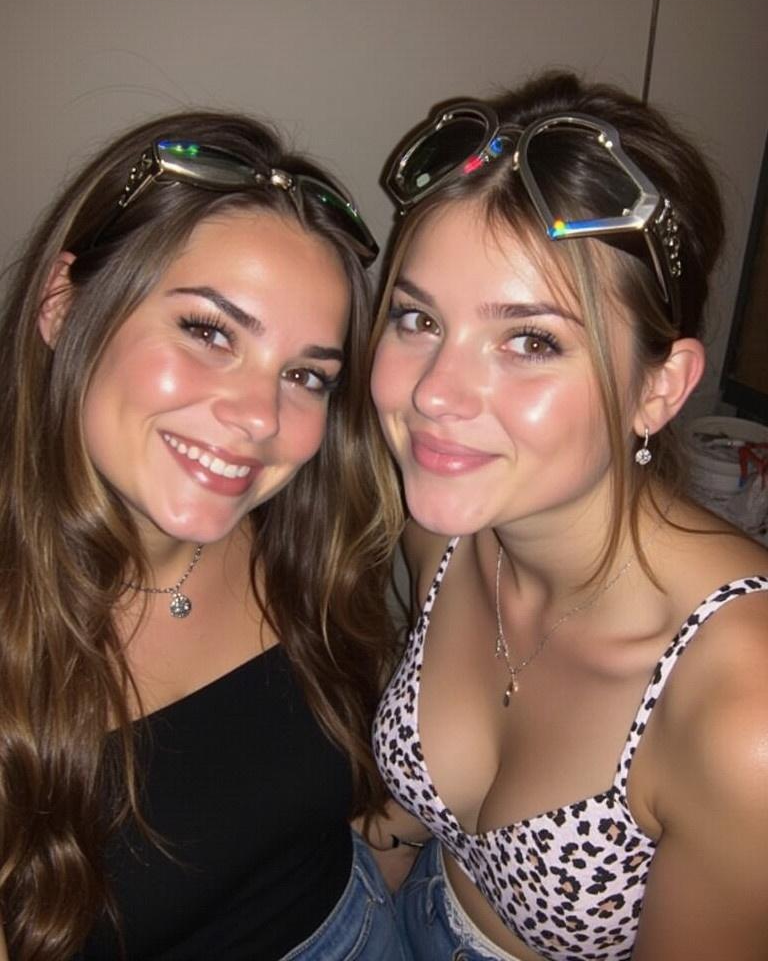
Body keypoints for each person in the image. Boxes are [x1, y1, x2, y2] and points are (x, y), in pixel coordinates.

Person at [367, 72, 768, 960]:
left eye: (530, 340)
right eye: (415, 318)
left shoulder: (742, 711)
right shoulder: (452, 517)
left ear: (659, 388)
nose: (435, 394)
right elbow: (423, 796)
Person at [0, 110, 406, 960]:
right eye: (208, 331)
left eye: (305, 376)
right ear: (64, 307)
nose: (260, 418)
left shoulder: (310, 535)